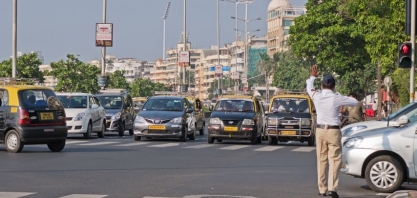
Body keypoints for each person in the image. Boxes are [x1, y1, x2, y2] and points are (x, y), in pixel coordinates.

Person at [306, 65, 357, 198]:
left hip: (320, 130)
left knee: (321, 160)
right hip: (333, 131)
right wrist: (339, 97)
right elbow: (354, 102)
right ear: (334, 86)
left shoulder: (316, 95)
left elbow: (309, 87)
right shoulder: (336, 98)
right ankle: (332, 189)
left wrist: (312, 76)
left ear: (322, 85)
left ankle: (322, 189)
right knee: (334, 160)